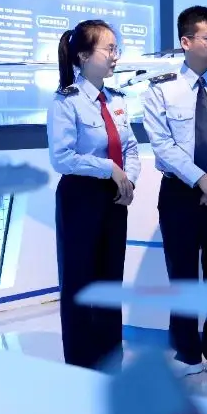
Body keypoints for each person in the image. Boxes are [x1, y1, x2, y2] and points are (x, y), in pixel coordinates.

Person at [141, 5, 207, 382]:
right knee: (183, 277)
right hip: (180, 194)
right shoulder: (161, 89)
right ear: (186, 42)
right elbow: (162, 145)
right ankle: (187, 353)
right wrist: (201, 180)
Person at [46, 19, 140, 372]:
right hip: (80, 197)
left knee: (110, 281)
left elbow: (130, 147)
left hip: (114, 198)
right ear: (84, 56)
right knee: (80, 283)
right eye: (109, 49)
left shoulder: (117, 100)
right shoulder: (66, 101)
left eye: (117, 49)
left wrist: (128, 181)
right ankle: (81, 366)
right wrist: (108, 169)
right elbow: (62, 157)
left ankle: (110, 361)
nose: (116, 56)